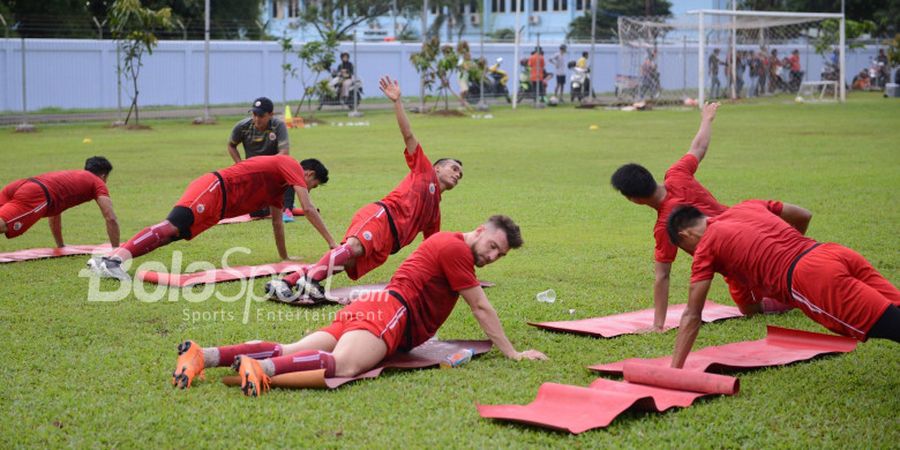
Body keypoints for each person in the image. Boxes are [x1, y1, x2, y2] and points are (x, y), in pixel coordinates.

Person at [172, 215, 548, 396]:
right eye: (493, 247)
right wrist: (512, 354)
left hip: (371, 307)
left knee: (295, 350)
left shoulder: (450, 243)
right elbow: (481, 308)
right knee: (347, 365)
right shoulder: (454, 248)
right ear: (480, 231)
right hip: (390, 312)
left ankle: (205, 355)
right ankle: (261, 368)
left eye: (500, 255)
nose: (493, 256)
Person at [266, 76, 463, 303]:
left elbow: (431, 248)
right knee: (353, 247)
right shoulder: (424, 170)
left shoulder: (434, 212)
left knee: (342, 262)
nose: (457, 174)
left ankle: (284, 283)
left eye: (460, 174)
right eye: (454, 168)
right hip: (381, 218)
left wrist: (448, 273)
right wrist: (397, 102)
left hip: (389, 243)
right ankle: (309, 282)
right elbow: (408, 135)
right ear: (437, 168)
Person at [610, 103, 800, 332]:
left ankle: (791, 295)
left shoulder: (665, 226)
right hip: (754, 224)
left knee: (751, 309)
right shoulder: (676, 174)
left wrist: (657, 325)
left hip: (737, 258)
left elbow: (663, 276)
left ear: (635, 199)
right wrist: (706, 119)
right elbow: (698, 147)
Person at [666, 201, 900, 368]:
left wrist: (674, 369)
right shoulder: (746, 206)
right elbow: (803, 214)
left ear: (685, 234)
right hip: (832, 252)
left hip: (813, 278)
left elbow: (692, 314)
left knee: (891, 324)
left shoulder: (706, 247)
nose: (692, 255)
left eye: (687, 250)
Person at [88, 155, 336, 280]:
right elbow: (309, 207)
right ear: (309, 172)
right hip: (215, 188)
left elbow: (277, 222)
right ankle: (113, 262)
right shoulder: (289, 163)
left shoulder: (279, 188)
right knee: (172, 225)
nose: (308, 189)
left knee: (172, 235)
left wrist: (284, 257)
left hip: (218, 206)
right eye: (312, 184)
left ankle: (110, 261)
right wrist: (333, 244)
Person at [0, 156, 119, 248]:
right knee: (3, 224)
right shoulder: (97, 182)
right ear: (103, 175)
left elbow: (55, 214)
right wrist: (116, 251)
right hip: (36, 193)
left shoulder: (73, 177)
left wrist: (60, 245)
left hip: (21, 185)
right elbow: (111, 217)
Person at [227, 97, 297, 223]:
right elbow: (231, 145)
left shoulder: (278, 126)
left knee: (289, 171)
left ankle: (287, 209)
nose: (257, 119)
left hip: (274, 169)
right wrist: (240, 164)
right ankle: (268, 205)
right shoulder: (242, 127)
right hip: (253, 173)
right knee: (255, 213)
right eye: (254, 114)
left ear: (271, 115)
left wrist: (269, 166)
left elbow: (284, 153)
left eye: (261, 115)